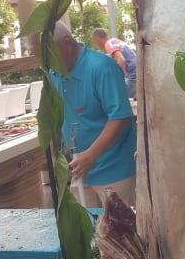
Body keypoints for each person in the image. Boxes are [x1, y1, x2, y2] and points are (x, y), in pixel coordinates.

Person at [51, 21, 136, 208]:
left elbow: (120, 116)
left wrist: (91, 155)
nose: (45, 60)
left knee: (119, 225)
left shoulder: (102, 67)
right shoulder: (54, 73)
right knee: (87, 224)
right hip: (81, 172)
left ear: (67, 43)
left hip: (114, 172)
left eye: (49, 53)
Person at [91, 28, 137, 99]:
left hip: (132, 75)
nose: (95, 45)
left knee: (118, 97)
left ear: (97, 39)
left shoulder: (108, 44)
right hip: (137, 72)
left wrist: (119, 77)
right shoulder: (114, 41)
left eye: (94, 42)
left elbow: (121, 60)